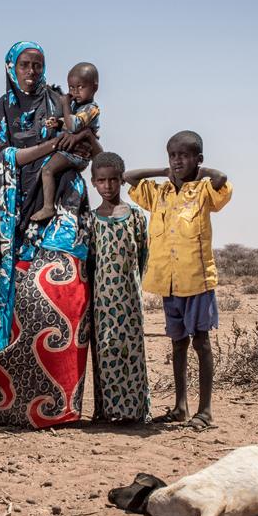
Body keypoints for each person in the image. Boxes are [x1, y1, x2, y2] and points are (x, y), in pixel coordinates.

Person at [0, 41, 102, 428]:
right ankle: (5, 405)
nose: (32, 71)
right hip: (14, 220)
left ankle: (60, 405)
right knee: (13, 302)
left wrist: (71, 141)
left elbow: (90, 146)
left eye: (38, 65)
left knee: (62, 299)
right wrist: (50, 145)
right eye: (25, 65)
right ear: (11, 68)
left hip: (63, 213)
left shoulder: (59, 102)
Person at [125, 131, 232, 430]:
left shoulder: (203, 192)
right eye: (172, 155)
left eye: (184, 155)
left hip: (197, 280)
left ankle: (206, 410)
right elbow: (129, 177)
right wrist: (164, 172)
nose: (177, 160)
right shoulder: (159, 193)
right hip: (169, 282)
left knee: (201, 342)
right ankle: (180, 406)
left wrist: (199, 173)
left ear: (198, 159)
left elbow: (222, 179)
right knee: (178, 344)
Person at [86, 152, 151, 423]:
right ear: (94, 183)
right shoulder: (91, 220)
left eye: (113, 180)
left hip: (129, 297)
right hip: (101, 299)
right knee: (106, 350)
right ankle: (108, 411)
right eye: (102, 181)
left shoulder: (135, 215)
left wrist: (131, 281)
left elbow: (143, 255)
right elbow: (90, 260)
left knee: (132, 351)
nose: (108, 186)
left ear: (121, 181)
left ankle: (136, 411)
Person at [31, 62, 101, 222]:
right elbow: (68, 123)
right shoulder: (78, 105)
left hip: (77, 155)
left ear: (94, 87)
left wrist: (65, 105)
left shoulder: (91, 108)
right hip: (71, 152)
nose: (75, 92)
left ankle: (48, 207)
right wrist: (58, 122)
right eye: (71, 88)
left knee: (47, 170)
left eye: (80, 87)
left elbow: (74, 126)